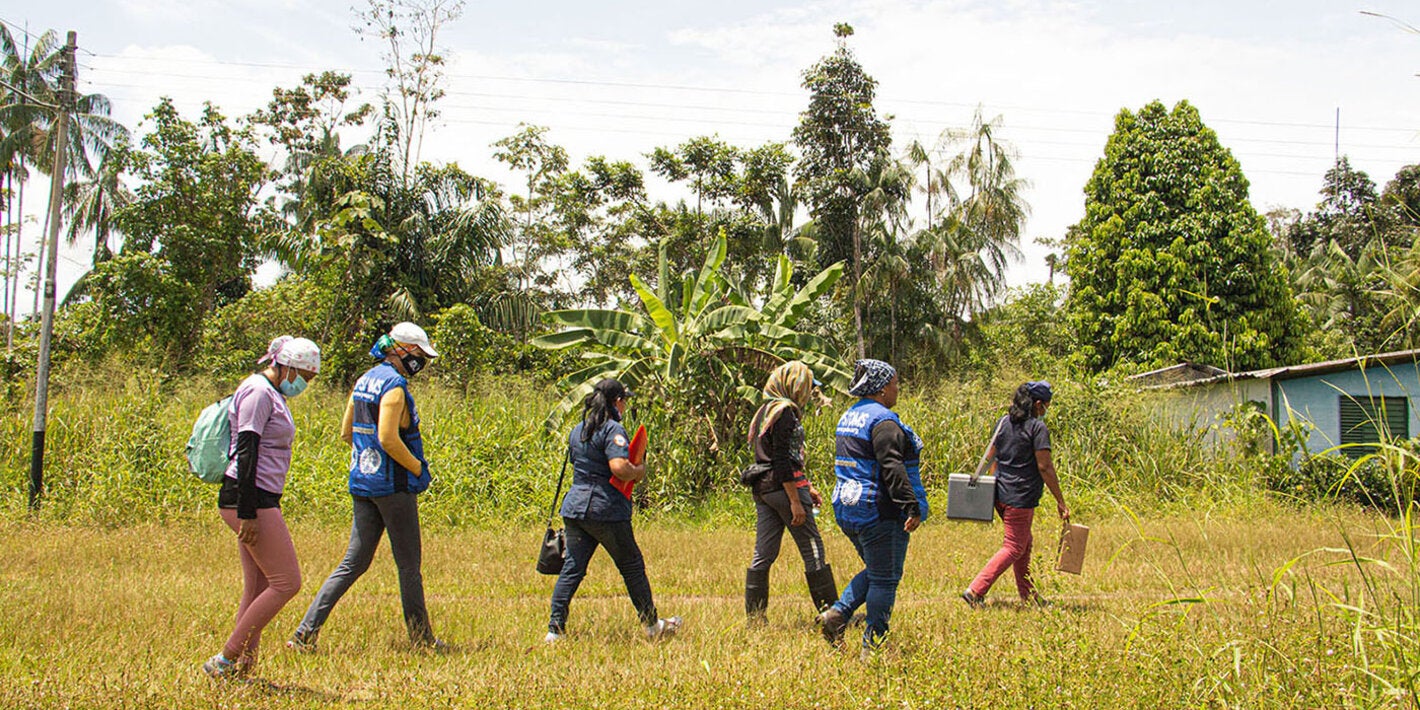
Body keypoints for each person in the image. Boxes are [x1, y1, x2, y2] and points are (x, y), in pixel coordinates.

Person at [288, 322, 444, 652]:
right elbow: (388, 438)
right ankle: (422, 640)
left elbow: (347, 433)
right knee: (409, 567)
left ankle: (305, 633)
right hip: (394, 487)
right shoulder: (395, 386)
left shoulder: (364, 381)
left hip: (363, 483)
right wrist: (418, 468)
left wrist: (367, 462)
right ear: (403, 351)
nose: (421, 361)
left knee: (353, 563)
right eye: (419, 354)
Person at [203, 336, 321, 679]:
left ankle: (243, 667)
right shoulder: (258, 391)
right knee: (287, 583)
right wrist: (247, 512)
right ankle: (223, 661)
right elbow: (247, 449)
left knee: (257, 587)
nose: (304, 384)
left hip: (259, 496)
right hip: (249, 496)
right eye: (303, 376)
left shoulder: (274, 394)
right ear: (286, 365)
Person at [545, 378, 681, 643]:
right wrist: (638, 471)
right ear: (616, 401)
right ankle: (652, 625)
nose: (625, 403)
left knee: (573, 568)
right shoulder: (613, 430)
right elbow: (619, 467)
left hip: (575, 509)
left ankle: (555, 630)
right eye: (624, 399)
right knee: (631, 566)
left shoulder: (578, 429)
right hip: (605, 510)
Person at [819, 359, 928, 657]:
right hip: (878, 510)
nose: (897, 389)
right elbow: (892, 467)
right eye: (894, 384)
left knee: (880, 569)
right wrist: (911, 505)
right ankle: (873, 646)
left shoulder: (849, 416)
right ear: (881, 388)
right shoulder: (883, 421)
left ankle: (836, 616)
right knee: (885, 578)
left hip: (848, 507)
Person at [744, 360, 837, 625]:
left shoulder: (766, 410)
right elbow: (783, 461)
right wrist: (796, 500)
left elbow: (773, 456)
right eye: (807, 386)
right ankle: (832, 614)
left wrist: (807, 486)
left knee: (764, 553)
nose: (808, 392)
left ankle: (756, 619)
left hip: (763, 489)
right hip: (783, 488)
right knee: (813, 549)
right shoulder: (784, 413)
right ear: (794, 385)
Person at [962, 381, 1069, 608]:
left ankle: (1028, 595)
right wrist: (1061, 501)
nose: (1046, 410)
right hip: (1020, 497)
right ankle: (975, 590)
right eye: (1046, 405)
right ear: (1038, 404)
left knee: (1024, 543)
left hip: (1000, 495)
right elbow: (1045, 467)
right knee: (1013, 546)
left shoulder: (1003, 422)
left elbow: (992, 457)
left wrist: (996, 485)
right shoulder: (1037, 428)